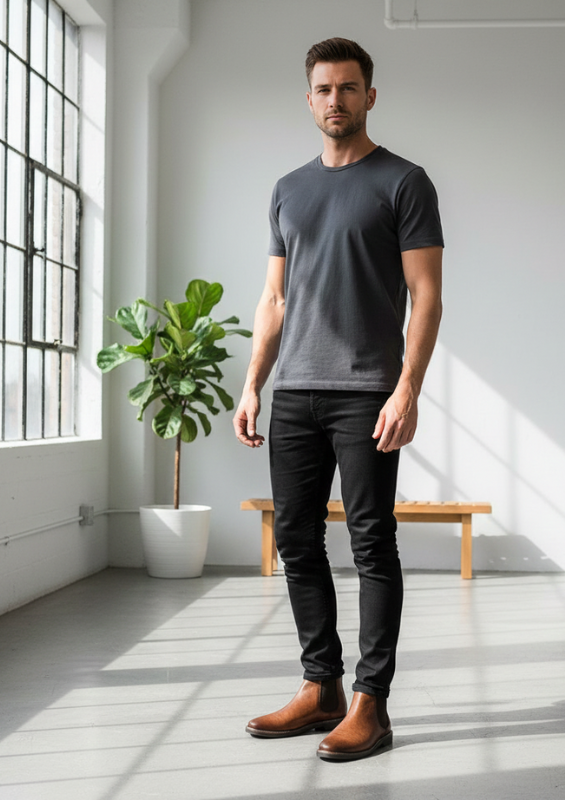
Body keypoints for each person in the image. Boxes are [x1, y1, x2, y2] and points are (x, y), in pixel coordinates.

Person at [232, 37, 443, 761]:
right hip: (292, 390)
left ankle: (370, 703)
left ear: (369, 97)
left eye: (348, 88)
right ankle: (319, 687)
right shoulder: (288, 188)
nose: (335, 100)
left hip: (365, 393)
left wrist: (408, 388)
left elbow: (427, 295)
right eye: (323, 89)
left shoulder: (404, 182)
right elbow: (273, 298)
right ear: (310, 98)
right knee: (295, 542)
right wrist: (253, 382)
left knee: (370, 542)